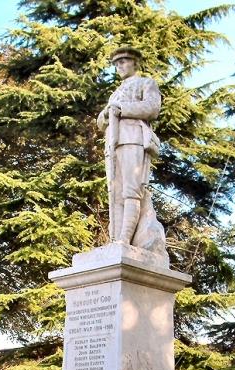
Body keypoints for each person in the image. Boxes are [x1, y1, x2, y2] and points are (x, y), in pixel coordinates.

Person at [97, 47, 161, 244]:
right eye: (116, 64)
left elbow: (152, 108)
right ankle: (115, 239)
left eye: (123, 62)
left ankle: (125, 239)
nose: (119, 67)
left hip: (133, 137)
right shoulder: (115, 93)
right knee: (115, 193)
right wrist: (106, 114)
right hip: (113, 142)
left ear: (134, 63)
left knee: (131, 190)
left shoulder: (145, 83)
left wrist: (122, 108)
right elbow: (101, 121)